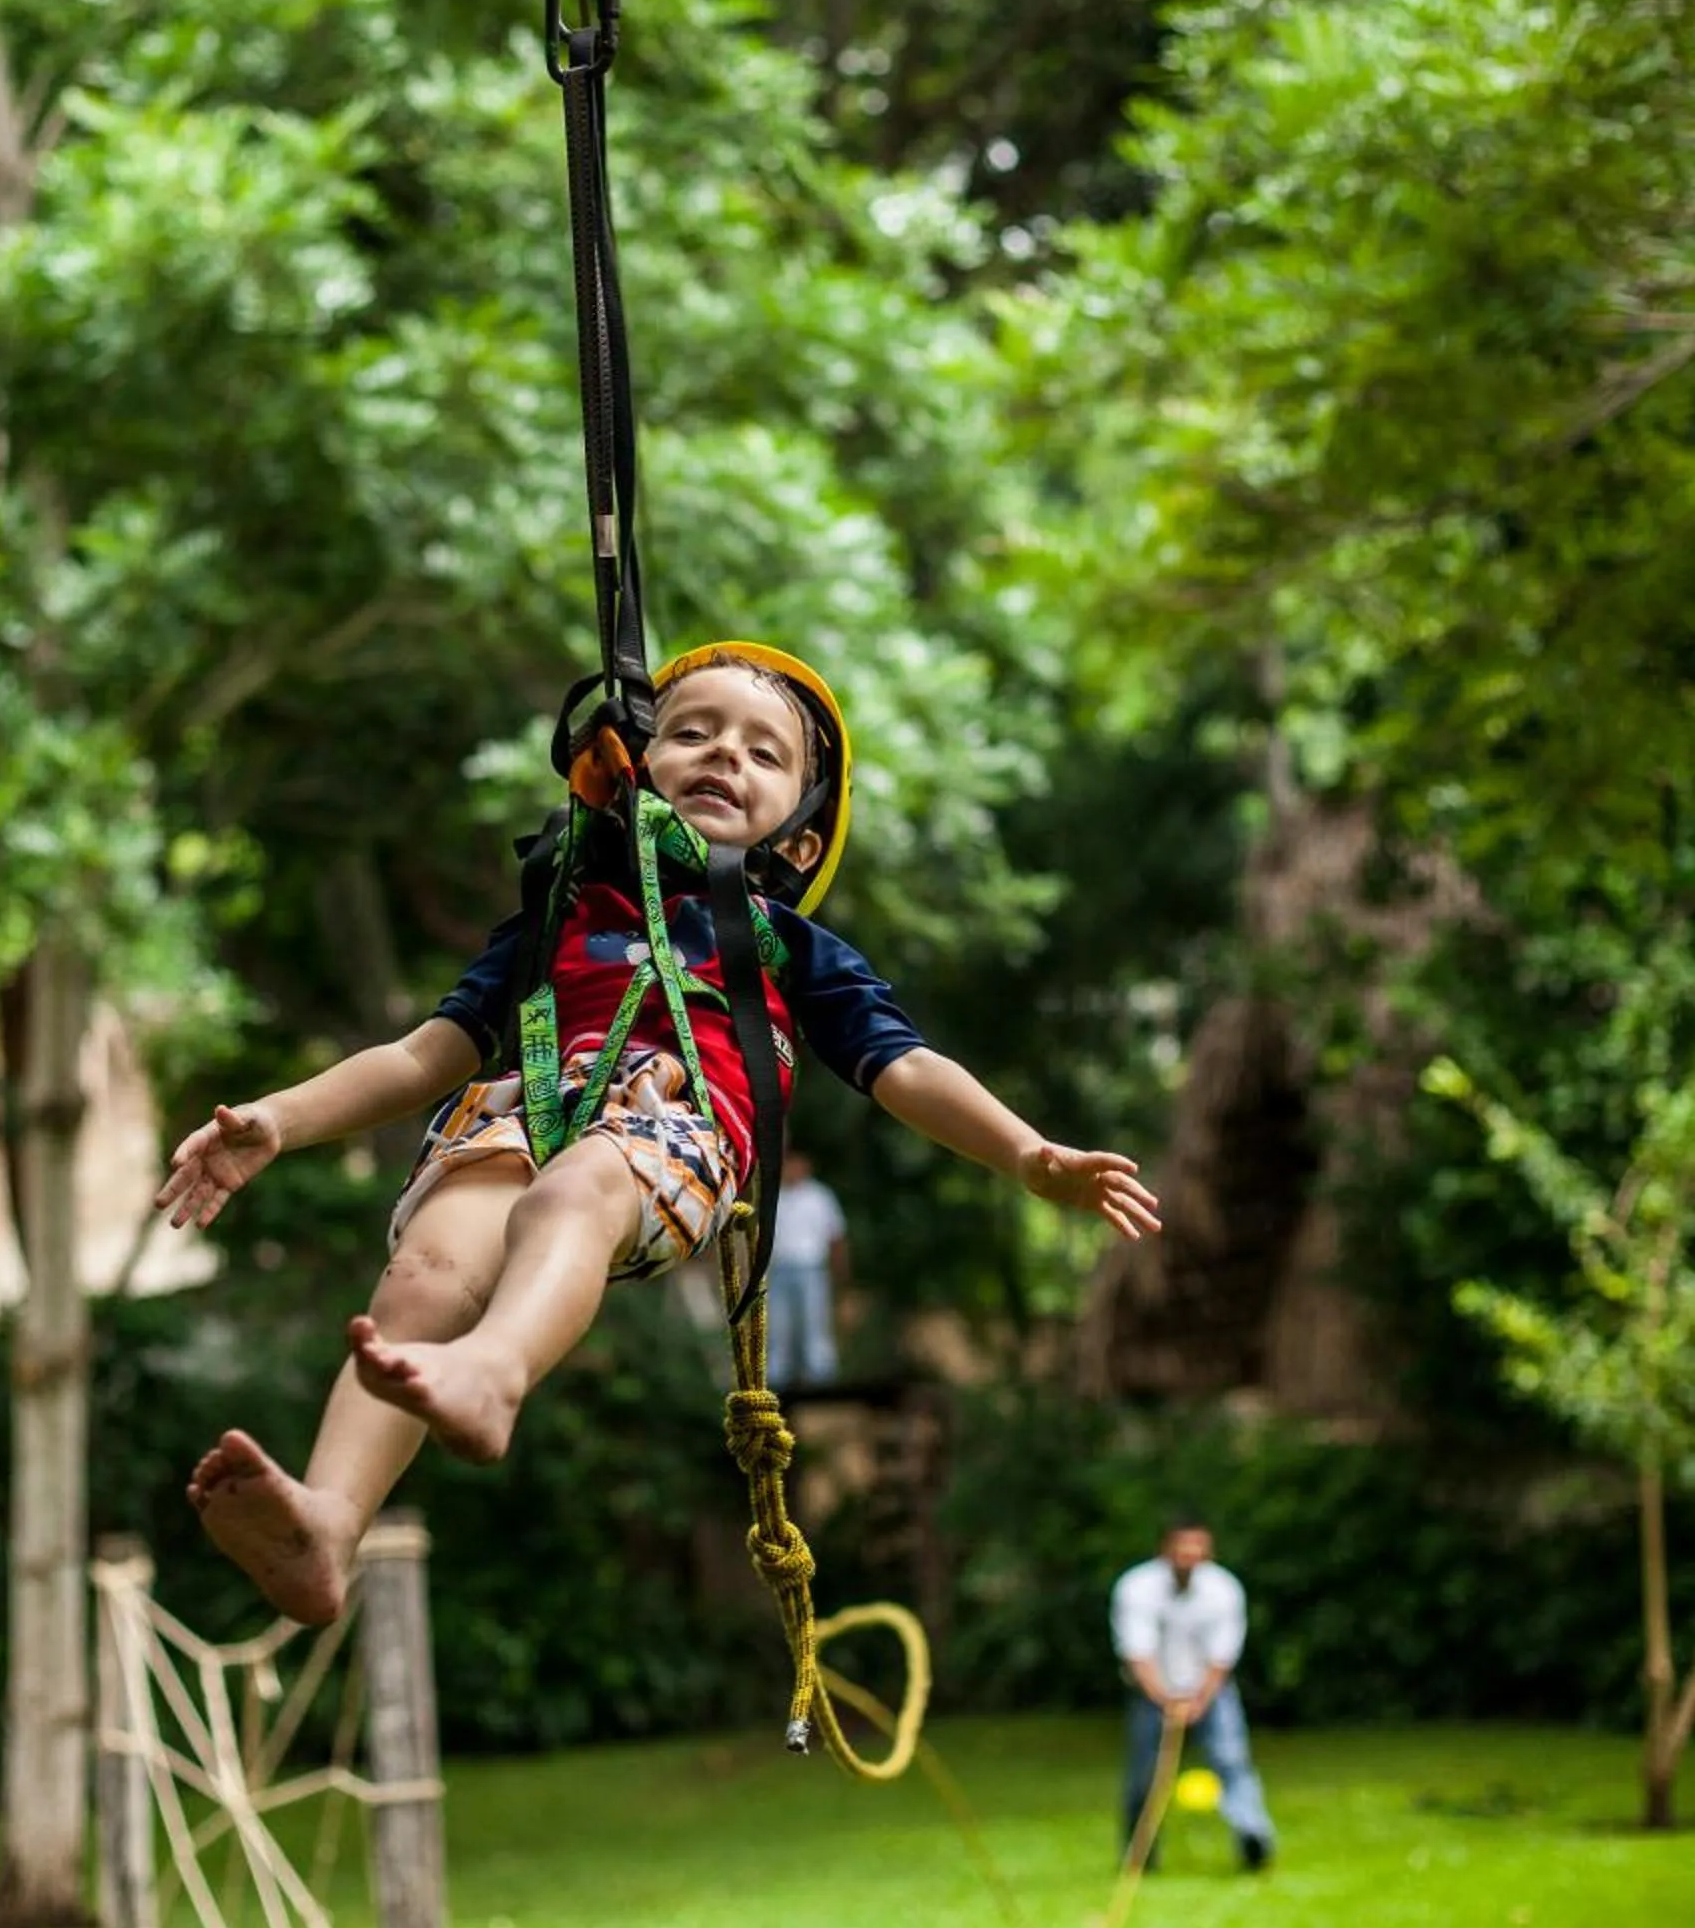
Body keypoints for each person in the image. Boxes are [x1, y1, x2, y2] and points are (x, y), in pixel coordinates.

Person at [158, 643, 1162, 1628]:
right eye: (691, 733)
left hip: (666, 1134)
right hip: (521, 1116)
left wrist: (1026, 1154)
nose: (724, 754)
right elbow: (425, 1056)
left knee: (578, 1187)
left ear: (801, 839)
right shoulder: (557, 912)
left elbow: (905, 1069)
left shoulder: (783, 944)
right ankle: (329, 1523)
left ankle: (494, 1371)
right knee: (425, 1272)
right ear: (634, 772)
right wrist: (277, 1122)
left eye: (763, 753)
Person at [1111, 1519, 1277, 1872]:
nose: (1189, 1554)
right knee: (1146, 1776)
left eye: (1197, 1546)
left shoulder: (1224, 1589)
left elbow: (1222, 1657)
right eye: (1181, 1546)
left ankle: (1253, 1838)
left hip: (1210, 1692)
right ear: (1165, 1550)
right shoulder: (1136, 1587)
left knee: (1231, 1760)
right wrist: (1165, 1699)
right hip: (1151, 1692)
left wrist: (1198, 1700)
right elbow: (1137, 1653)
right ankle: (1140, 1853)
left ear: (1208, 1551)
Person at [764, 1145, 848, 1388]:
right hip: (779, 1269)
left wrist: (839, 1272)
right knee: (778, 1325)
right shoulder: (775, 1195)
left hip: (810, 1268)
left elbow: (835, 1237)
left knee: (814, 1322)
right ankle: (777, 1377)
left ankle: (820, 1374)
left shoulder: (820, 1197)